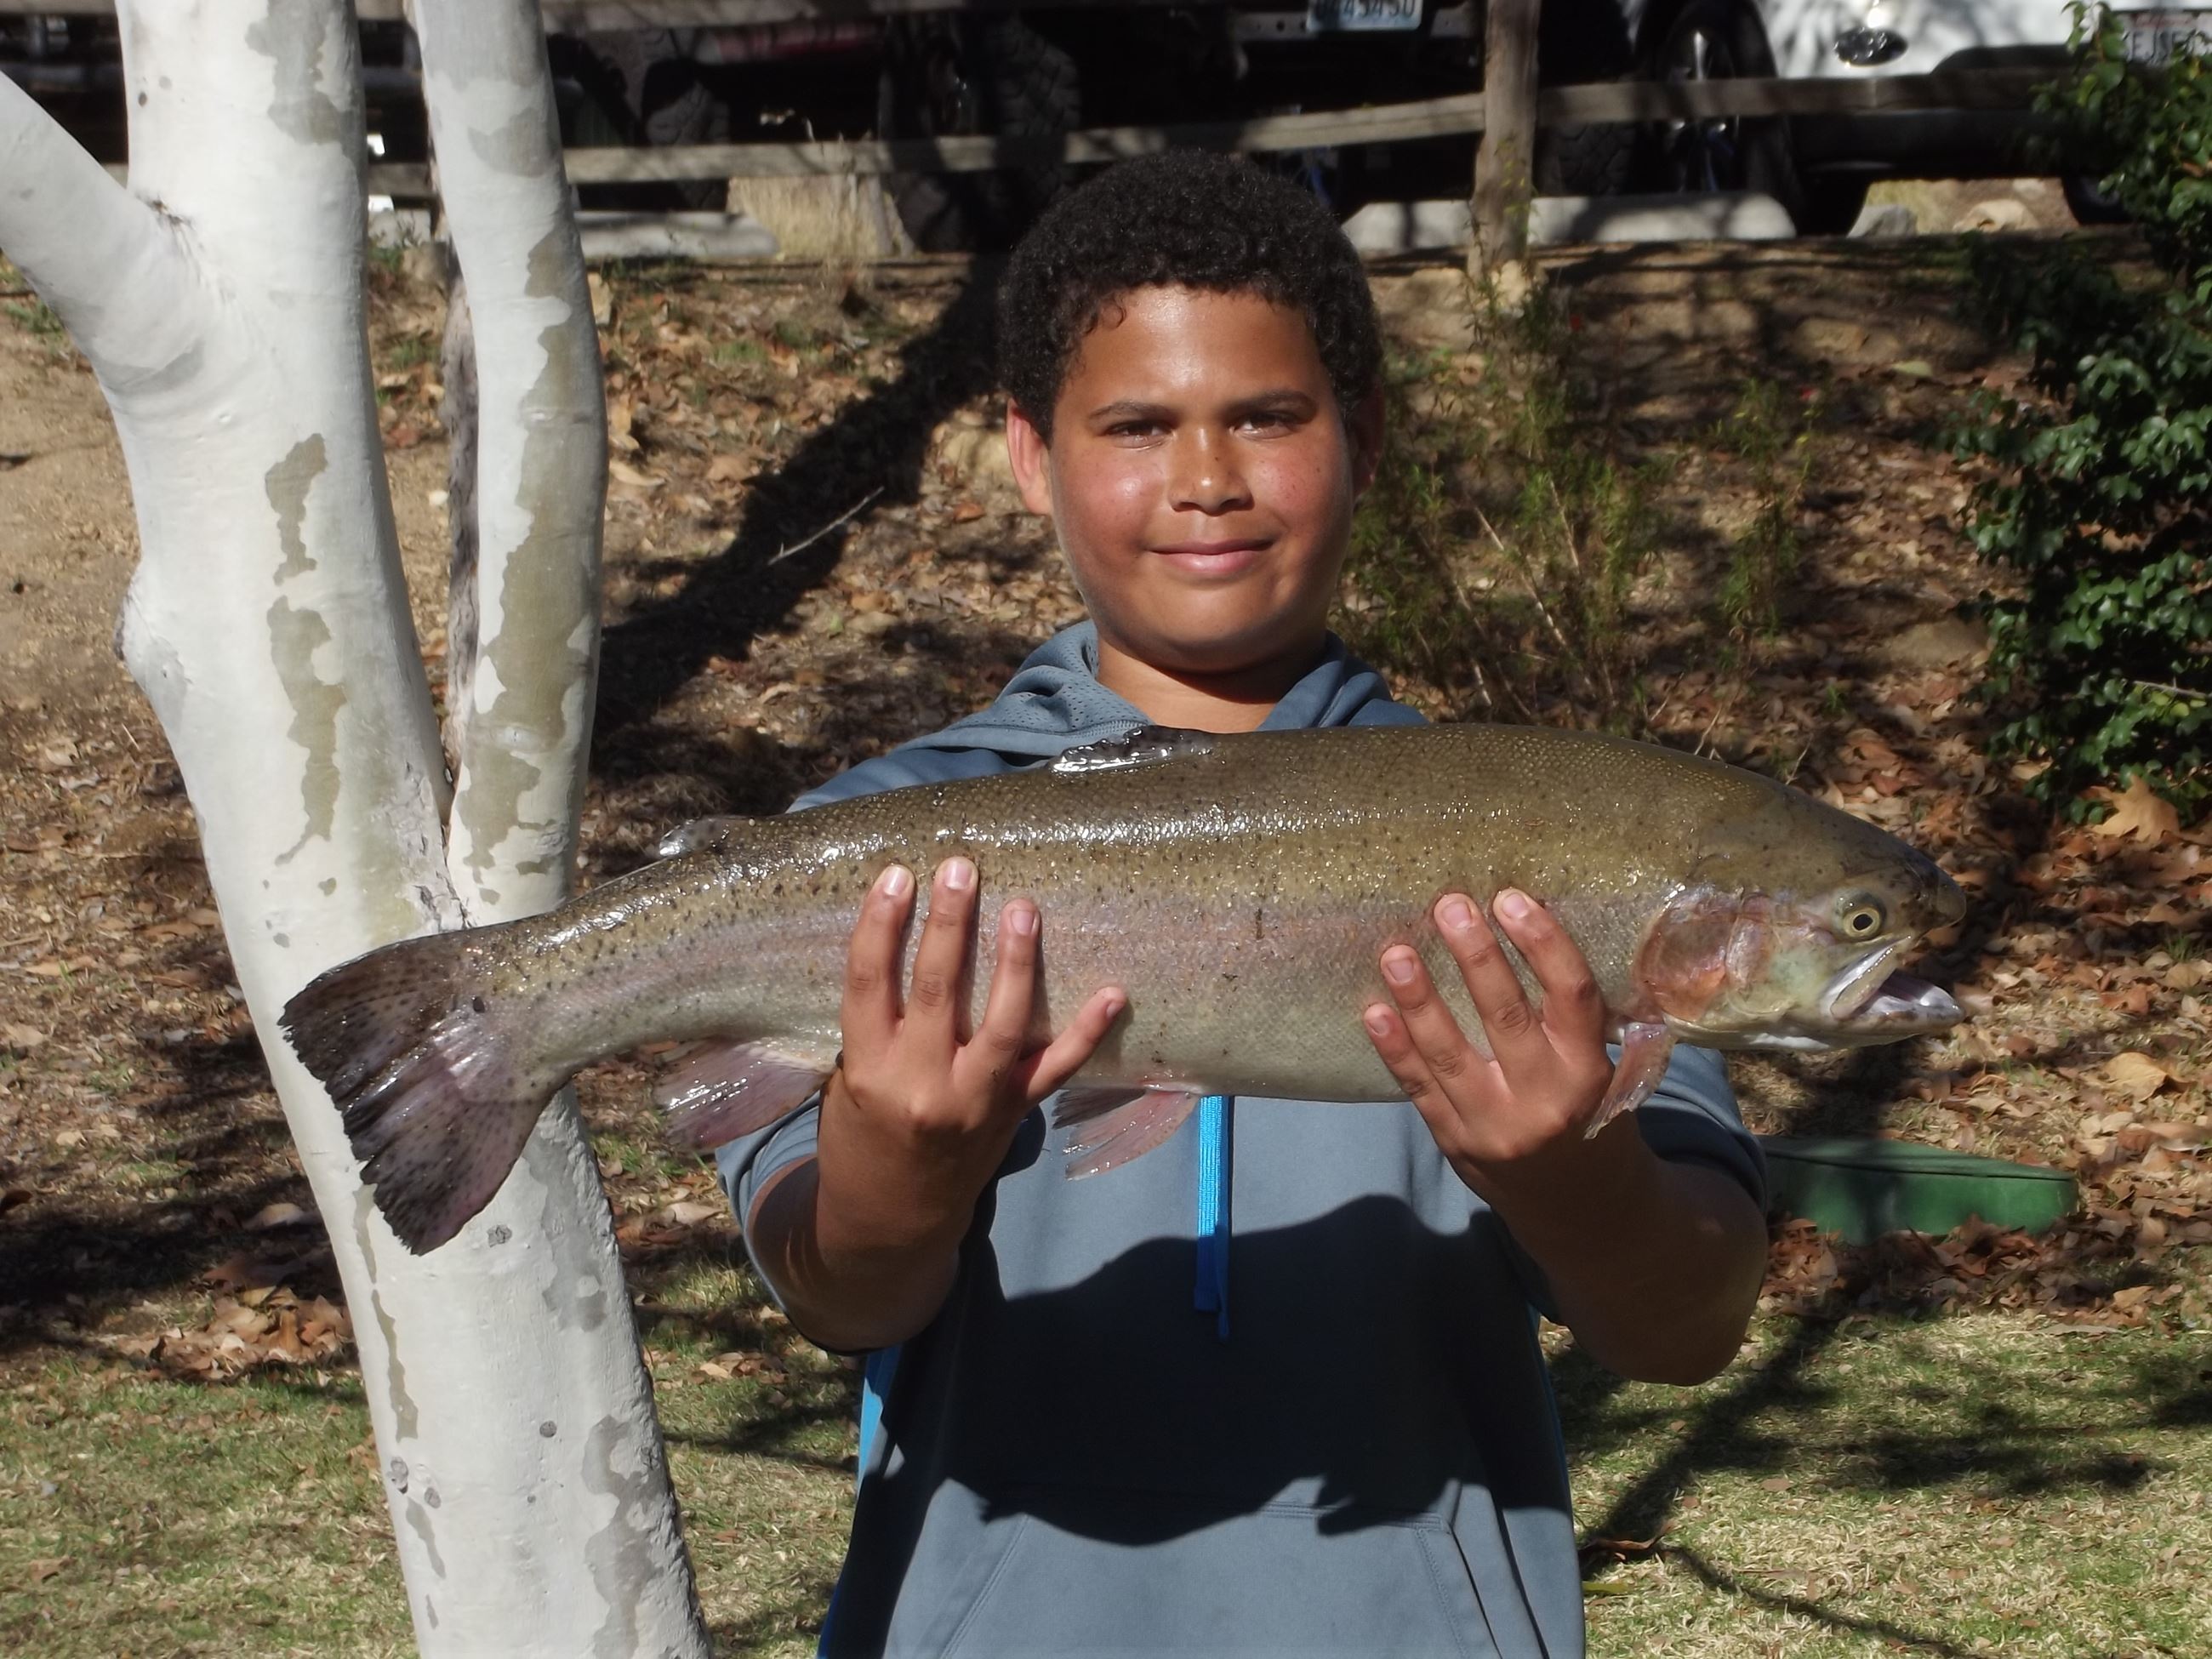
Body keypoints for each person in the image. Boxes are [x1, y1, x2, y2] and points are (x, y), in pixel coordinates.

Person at [719, 150, 1768, 1659]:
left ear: (1364, 437)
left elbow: (1687, 1329)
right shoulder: (873, 854)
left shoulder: (1566, 839)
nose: (1209, 477)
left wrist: (1572, 1179)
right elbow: (841, 1293)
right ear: (1030, 456)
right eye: (1138, 426)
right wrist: (897, 1165)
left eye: (1268, 417)